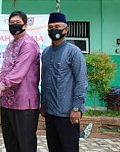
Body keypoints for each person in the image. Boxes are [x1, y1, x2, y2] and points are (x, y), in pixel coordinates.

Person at [0, 11, 41, 152]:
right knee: (11, 143)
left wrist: (1, 86)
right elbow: (8, 68)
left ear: (25, 25)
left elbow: (18, 73)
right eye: (11, 23)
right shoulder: (11, 44)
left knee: (26, 145)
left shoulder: (29, 44)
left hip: (24, 103)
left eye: (17, 23)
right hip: (8, 102)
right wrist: (0, 78)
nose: (14, 26)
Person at [40, 12, 88, 152]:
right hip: (50, 112)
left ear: (65, 30)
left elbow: (81, 81)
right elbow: (45, 80)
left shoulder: (74, 52)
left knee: (69, 148)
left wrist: (76, 108)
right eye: (50, 27)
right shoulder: (46, 53)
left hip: (67, 113)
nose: (54, 29)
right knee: (53, 147)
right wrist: (44, 104)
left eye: (57, 26)